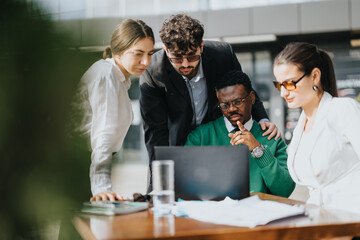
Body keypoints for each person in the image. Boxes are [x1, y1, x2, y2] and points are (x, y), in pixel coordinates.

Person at [139, 14, 280, 190]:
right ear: (166, 51)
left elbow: (243, 87)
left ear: (201, 46)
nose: (185, 64)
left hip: (216, 139)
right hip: (178, 145)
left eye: (192, 56)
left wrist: (263, 119)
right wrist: (159, 180)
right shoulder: (153, 71)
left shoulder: (223, 55)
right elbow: (155, 133)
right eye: (176, 58)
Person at [273, 42, 360, 212]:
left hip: (352, 220)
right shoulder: (301, 127)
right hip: (320, 221)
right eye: (279, 85)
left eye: (289, 83)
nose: (283, 93)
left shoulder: (343, 110)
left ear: (314, 76)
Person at [78, 19, 155, 201]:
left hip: (89, 161)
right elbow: (103, 132)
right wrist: (101, 187)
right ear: (118, 52)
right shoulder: (106, 75)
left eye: (150, 54)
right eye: (138, 53)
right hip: (81, 163)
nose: (146, 61)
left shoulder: (120, 79)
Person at [185, 70, 295, 197]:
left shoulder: (271, 137)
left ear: (252, 98)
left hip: (259, 214)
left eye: (238, 102)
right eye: (225, 105)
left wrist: (257, 149)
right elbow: (187, 187)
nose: (231, 109)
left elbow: (285, 190)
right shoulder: (199, 137)